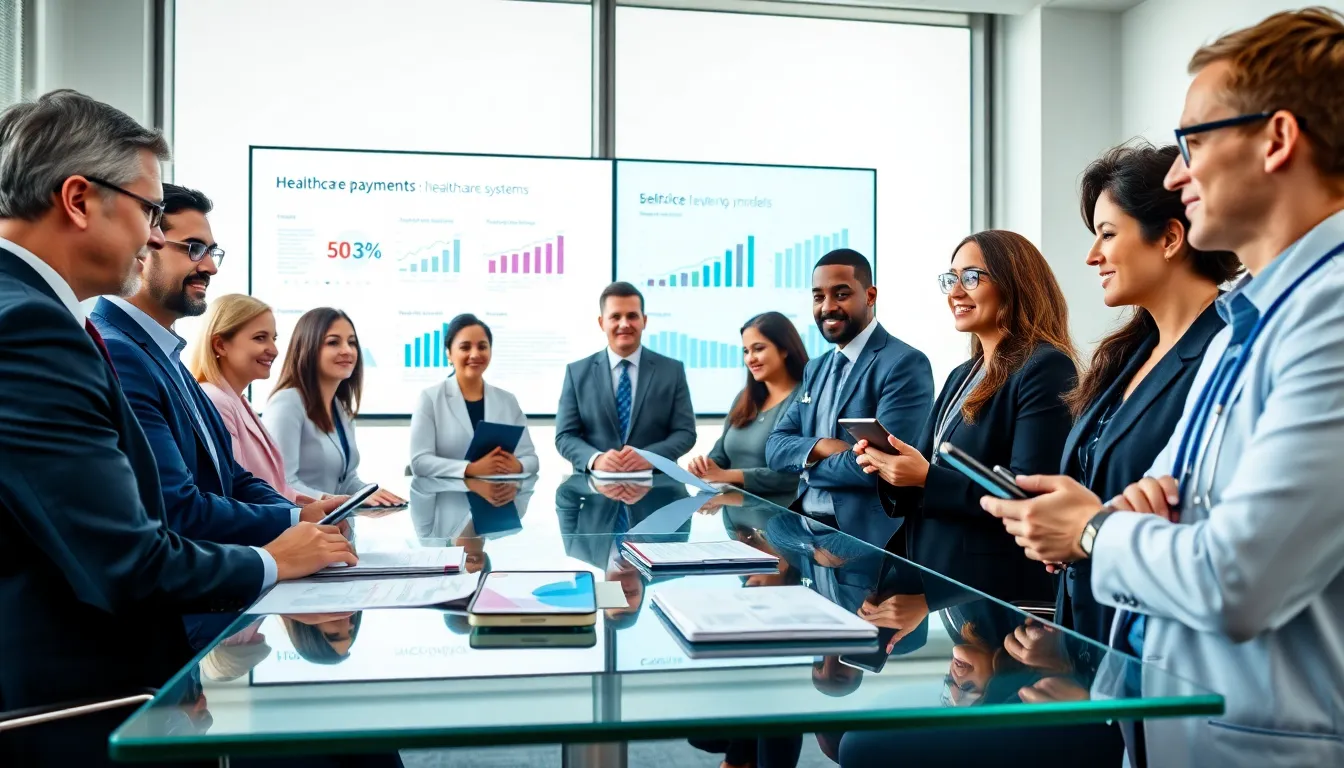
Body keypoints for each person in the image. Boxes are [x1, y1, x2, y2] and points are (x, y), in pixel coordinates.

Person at [982, 9, 1344, 766]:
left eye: (1193, 143)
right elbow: (1151, 503)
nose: (1177, 175)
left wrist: (1095, 530)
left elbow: (1233, 578)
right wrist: (1120, 518)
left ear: (1276, 140)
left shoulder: (1331, 316)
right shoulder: (1247, 320)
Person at [0, 89, 354, 767]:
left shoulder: (34, 314)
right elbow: (126, 561)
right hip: (79, 708)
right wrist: (274, 560)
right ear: (78, 200)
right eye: (150, 211)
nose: (153, 236)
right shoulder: (29, 327)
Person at [1059, 143, 1238, 645]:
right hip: (1088, 630)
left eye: (1107, 235)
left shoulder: (1228, 351)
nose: (1093, 256)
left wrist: (1092, 530)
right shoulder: (1130, 354)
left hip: (1156, 643)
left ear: (1169, 238)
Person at [91, 184, 331, 546]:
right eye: (193, 249)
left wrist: (298, 513)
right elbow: (176, 508)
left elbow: (229, 476)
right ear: (144, 246)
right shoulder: (120, 353)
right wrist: (289, 521)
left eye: (212, 251)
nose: (210, 267)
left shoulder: (164, 354)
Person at [854, 231, 1076, 603]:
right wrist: (891, 467)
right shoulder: (963, 374)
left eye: (971, 278)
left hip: (998, 590)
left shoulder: (1045, 367)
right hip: (943, 581)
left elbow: (1025, 495)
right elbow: (928, 469)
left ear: (1014, 283)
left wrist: (925, 477)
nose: (955, 292)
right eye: (951, 279)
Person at [765, 248, 934, 548]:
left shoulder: (904, 364)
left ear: (870, 296)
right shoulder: (815, 369)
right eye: (818, 297)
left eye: (841, 294)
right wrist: (823, 446)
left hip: (863, 543)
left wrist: (806, 466)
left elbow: (877, 468)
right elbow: (775, 448)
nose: (827, 307)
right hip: (805, 531)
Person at [263, 307, 404, 506]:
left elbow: (346, 480)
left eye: (352, 342)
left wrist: (370, 494)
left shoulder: (339, 407)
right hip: (300, 528)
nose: (347, 350)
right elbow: (281, 483)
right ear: (308, 348)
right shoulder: (287, 403)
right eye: (333, 342)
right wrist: (342, 501)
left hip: (333, 526)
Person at [555, 281, 696, 473]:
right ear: (601, 323)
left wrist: (650, 457)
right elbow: (565, 435)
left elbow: (685, 432)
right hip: (594, 491)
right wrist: (596, 459)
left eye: (632, 316)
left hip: (658, 490)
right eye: (615, 317)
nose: (624, 324)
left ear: (644, 321)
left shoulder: (672, 371)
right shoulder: (577, 373)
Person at [189, 293, 303, 502]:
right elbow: (235, 493)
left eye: (273, 338)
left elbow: (277, 488)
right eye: (260, 338)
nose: (274, 350)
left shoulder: (236, 400)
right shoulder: (215, 400)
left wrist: (321, 503)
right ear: (220, 345)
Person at [688, 311, 807, 506]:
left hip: (779, 517)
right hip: (737, 518)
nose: (750, 358)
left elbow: (795, 474)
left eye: (758, 349)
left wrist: (727, 475)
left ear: (784, 349)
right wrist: (705, 466)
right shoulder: (745, 398)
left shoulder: (804, 399)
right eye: (745, 351)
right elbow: (721, 454)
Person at [408, 313, 538, 478]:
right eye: (465, 347)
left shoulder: (508, 401)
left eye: (482, 347)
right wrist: (470, 469)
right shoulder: (430, 398)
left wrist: (518, 465)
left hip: (498, 499)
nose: (475, 354)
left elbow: (531, 459)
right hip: (448, 499)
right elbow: (419, 462)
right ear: (448, 353)